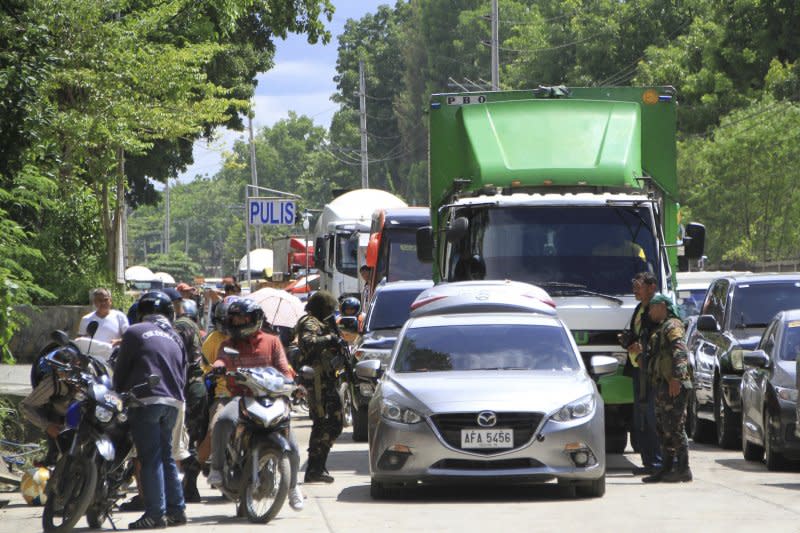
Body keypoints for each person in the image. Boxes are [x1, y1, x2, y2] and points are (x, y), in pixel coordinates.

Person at [207, 298, 304, 511]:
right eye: (233, 318)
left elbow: (283, 368)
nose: (237, 322)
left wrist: (293, 385)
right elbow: (221, 359)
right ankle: (216, 468)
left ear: (254, 319)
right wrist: (219, 366)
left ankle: (293, 487)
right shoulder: (228, 344)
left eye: (242, 318)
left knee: (294, 447)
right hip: (241, 397)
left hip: (273, 397)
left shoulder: (272, 341)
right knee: (222, 421)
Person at [113, 291, 187, 529]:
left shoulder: (134, 331)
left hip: (147, 401)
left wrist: (118, 392)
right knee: (166, 456)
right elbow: (183, 371)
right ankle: (177, 511)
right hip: (174, 402)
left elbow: (121, 368)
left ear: (140, 313)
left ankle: (155, 514)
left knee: (150, 459)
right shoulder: (176, 337)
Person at [295, 290, 344, 483]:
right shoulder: (310, 322)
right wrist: (330, 339)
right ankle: (315, 468)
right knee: (323, 422)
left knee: (334, 424)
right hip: (317, 382)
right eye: (329, 309)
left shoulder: (323, 324)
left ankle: (318, 465)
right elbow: (308, 342)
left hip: (327, 380)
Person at [643, 294, 693, 484]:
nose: (649, 312)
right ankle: (666, 467)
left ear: (662, 306)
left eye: (652, 308)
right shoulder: (662, 327)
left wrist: (677, 378)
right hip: (663, 384)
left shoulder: (672, 325)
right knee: (663, 427)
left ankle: (683, 469)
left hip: (673, 384)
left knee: (675, 426)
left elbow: (680, 350)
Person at [20, 346, 92, 466]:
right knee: (59, 453)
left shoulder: (88, 377)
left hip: (81, 418)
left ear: (78, 365)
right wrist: (47, 426)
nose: (63, 375)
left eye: (67, 371)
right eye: (59, 371)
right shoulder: (52, 383)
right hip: (56, 418)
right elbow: (25, 406)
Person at [621, 272, 662, 475]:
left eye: (639, 285)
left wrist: (643, 348)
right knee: (640, 418)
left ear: (652, 287)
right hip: (639, 369)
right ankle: (648, 463)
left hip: (651, 371)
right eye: (634, 285)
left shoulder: (658, 308)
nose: (635, 289)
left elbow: (661, 339)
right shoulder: (639, 308)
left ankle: (658, 463)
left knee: (652, 416)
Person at [172, 292, 207, 504]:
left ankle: (186, 488)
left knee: (183, 439)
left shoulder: (179, 327)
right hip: (196, 387)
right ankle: (190, 487)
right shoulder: (195, 329)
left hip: (186, 388)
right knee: (191, 439)